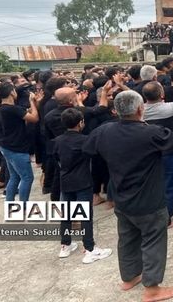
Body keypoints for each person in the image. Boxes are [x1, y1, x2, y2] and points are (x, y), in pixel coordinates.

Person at [82, 91, 173, 301]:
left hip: (121, 197)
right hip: (149, 200)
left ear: (115, 110)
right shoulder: (151, 132)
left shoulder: (104, 131)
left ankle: (129, 277)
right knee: (153, 241)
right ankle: (152, 289)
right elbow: (171, 140)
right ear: (139, 109)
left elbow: (88, 148)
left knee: (127, 239)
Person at [53, 108, 112, 264]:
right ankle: (90, 249)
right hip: (83, 182)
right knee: (86, 216)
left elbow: (56, 159)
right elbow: (95, 154)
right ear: (81, 123)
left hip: (65, 181)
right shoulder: (85, 140)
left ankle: (65, 244)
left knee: (66, 215)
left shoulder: (57, 141)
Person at [142, 81, 173, 228]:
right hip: (168, 151)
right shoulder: (169, 108)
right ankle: (167, 217)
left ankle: (151, 214)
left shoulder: (140, 110)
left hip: (147, 152)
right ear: (161, 94)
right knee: (169, 183)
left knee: (150, 183)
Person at [0, 82, 41, 202]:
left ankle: (10, 202)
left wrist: (34, 105)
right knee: (27, 178)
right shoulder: (13, 109)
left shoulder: (4, 108)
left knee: (15, 177)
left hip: (7, 146)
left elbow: (26, 113)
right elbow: (34, 118)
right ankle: (23, 205)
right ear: (11, 92)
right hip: (16, 148)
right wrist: (32, 101)